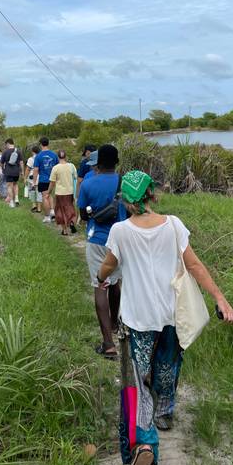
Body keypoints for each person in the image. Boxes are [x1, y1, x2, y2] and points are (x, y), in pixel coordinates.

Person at [98, 170, 233, 465]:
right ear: (152, 194)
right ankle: (164, 412)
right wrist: (220, 298)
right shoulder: (174, 225)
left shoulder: (120, 231)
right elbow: (195, 265)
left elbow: (108, 266)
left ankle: (146, 440)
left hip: (138, 318)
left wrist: (101, 276)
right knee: (167, 367)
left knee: (136, 379)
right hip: (172, 314)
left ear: (126, 200)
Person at [78, 144, 127, 359]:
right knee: (116, 282)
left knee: (100, 286)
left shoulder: (88, 183)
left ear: (97, 163)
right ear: (116, 162)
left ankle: (108, 344)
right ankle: (115, 323)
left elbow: (84, 213)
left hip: (97, 239)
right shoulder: (124, 183)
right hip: (122, 240)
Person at [48, 150, 78, 235]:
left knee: (59, 210)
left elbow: (52, 182)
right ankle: (71, 221)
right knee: (70, 208)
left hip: (60, 193)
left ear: (58, 157)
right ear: (66, 156)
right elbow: (76, 177)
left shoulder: (56, 168)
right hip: (70, 192)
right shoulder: (71, 166)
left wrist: (48, 192)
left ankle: (64, 230)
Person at [33, 137, 58, 223]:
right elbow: (57, 167)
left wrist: (34, 181)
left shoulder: (38, 156)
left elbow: (35, 170)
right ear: (48, 143)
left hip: (43, 180)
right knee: (49, 195)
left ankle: (47, 216)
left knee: (45, 197)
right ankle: (52, 211)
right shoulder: (54, 155)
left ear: (41, 144)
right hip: (53, 180)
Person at [0, 138, 24, 208]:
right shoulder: (18, 151)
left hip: (8, 171)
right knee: (15, 184)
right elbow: (21, 162)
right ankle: (16, 198)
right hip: (16, 171)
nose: (6, 146)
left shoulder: (5, 152)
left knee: (9, 186)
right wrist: (22, 172)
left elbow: (1, 163)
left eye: (6, 145)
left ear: (8, 143)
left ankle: (11, 202)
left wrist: (3, 169)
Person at [25, 145, 42, 213]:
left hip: (32, 177)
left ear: (33, 152)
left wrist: (25, 177)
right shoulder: (41, 158)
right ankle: (39, 208)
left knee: (32, 191)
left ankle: (34, 205)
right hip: (40, 177)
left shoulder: (31, 159)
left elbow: (28, 169)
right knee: (39, 192)